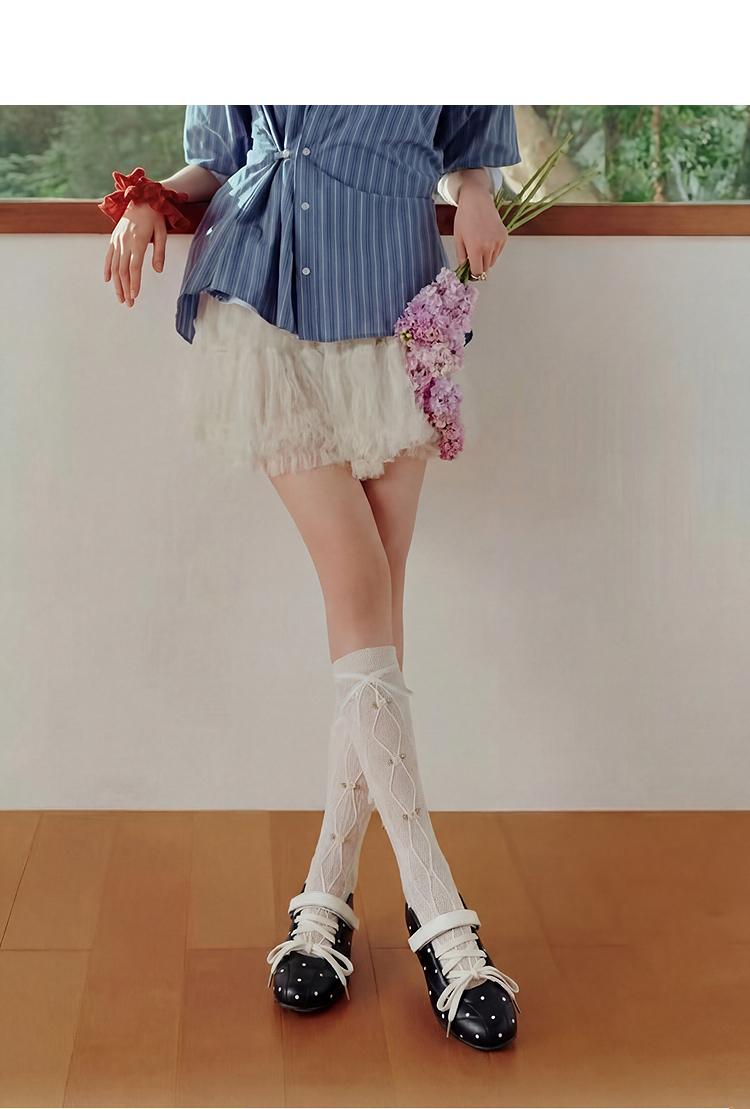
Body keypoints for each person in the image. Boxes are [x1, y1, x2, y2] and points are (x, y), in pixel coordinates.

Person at [102, 105, 522, 1051]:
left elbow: (466, 148)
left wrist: (476, 195)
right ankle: (442, 919)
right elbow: (217, 161)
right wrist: (149, 201)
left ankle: (323, 903)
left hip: (398, 312)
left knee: (376, 615)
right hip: (264, 306)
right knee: (359, 582)